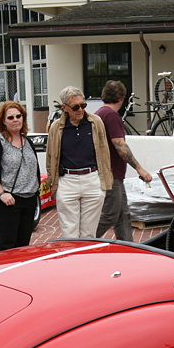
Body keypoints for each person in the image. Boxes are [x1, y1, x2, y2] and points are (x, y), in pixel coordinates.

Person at [46, 86, 112, 239]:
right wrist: (52, 180)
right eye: (75, 107)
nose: (80, 110)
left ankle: (87, 262)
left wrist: (104, 180)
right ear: (65, 108)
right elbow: (51, 157)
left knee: (89, 233)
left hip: (92, 179)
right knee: (70, 234)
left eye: (83, 105)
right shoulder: (56, 127)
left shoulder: (95, 122)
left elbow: (105, 150)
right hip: (67, 180)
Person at [94, 80, 152, 242]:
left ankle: (129, 248)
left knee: (123, 215)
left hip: (112, 174)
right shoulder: (111, 116)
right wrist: (140, 169)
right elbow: (120, 145)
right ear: (121, 98)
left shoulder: (100, 113)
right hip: (111, 175)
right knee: (110, 214)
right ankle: (81, 241)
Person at [0, 101, 41, 251]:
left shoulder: (27, 142)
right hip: (9, 201)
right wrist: (2, 194)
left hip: (29, 201)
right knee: (6, 247)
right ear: (3, 121)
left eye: (18, 116)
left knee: (23, 247)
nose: (15, 120)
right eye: (10, 117)